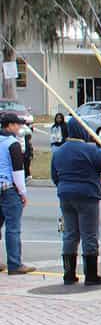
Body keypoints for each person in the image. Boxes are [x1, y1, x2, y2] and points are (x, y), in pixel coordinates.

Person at [51, 117, 101, 285]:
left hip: (65, 194)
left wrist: (63, 185)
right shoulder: (89, 149)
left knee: (70, 234)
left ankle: (69, 274)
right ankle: (91, 275)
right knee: (89, 234)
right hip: (87, 195)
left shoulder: (59, 151)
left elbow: (54, 176)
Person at [0, 113, 34, 275]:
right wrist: (23, 192)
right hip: (8, 188)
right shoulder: (12, 144)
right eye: (17, 124)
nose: (19, 127)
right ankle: (14, 263)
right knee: (13, 228)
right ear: (10, 125)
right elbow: (18, 171)